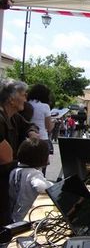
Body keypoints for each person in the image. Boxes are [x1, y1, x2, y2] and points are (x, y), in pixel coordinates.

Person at [0, 78, 39, 226]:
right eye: (23, 94)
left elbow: (30, 126)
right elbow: (6, 158)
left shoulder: (13, 117)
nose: (26, 98)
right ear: (11, 99)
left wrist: (32, 133)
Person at [8, 138, 53, 222]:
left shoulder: (14, 171)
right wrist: (54, 185)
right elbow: (41, 186)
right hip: (27, 216)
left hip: (14, 214)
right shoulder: (33, 174)